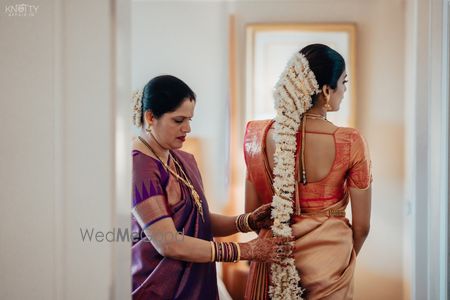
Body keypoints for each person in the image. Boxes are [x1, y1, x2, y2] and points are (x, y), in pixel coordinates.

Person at [131, 75, 292, 300]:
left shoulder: (181, 159)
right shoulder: (139, 166)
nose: (187, 128)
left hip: (196, 285)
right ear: (150, 117)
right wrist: (244, 251)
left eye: (190, 119)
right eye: (178, 120)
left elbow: (200, 221)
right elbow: (168, 244)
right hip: (159, 289)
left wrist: (246, 222)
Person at [244, 44, 372, 299]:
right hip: (330, 260)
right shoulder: (349, 141)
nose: (344, 91)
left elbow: (251, 213)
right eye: (343, 82)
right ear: (326, 90)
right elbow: (362, 226)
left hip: (275, 253)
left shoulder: (256, 135)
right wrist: (344, 257)